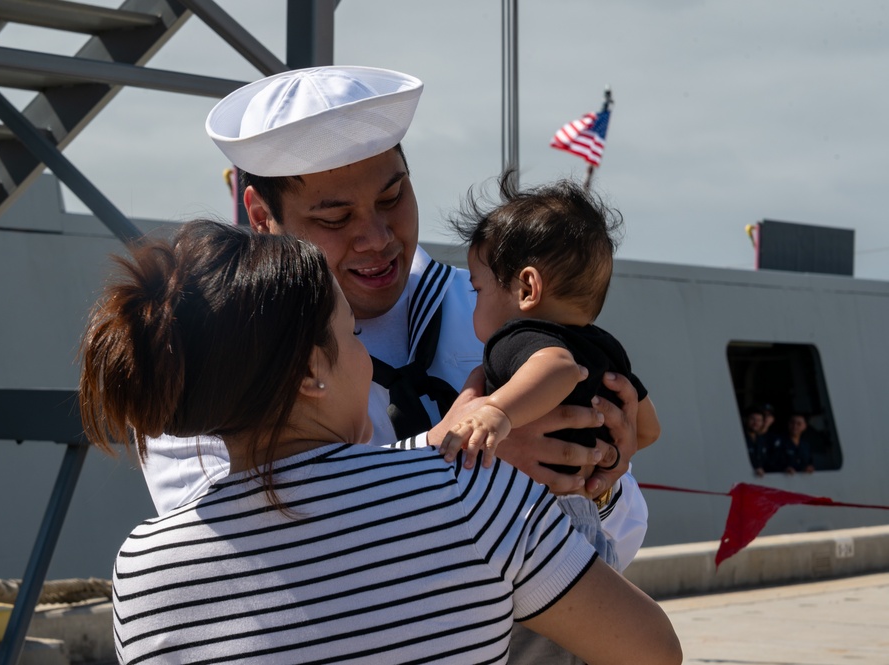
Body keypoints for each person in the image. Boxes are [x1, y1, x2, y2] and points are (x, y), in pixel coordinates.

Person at [144, 66, 654, 662]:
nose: (377, 237)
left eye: (393, 197)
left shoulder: (501, 307)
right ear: (260, 215)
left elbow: (625, 532)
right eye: (334, 219)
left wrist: (599, 479)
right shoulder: (216, 355)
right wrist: (458, 467)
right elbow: (239, 554)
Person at [79, 220, 682, 664]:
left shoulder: (141, 569)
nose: (368, 358)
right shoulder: (471, 492)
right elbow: (653, 650)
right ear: (313, 372)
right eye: (352, 333)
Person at [438, 174, 660, 476]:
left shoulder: (518, 337)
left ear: (527, 289)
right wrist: (614, 451)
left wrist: (496, 411)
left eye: (476, 289)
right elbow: (649, 431)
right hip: (583, 504)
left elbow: (560, 368)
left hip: (527, 505)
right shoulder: (607, 347)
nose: (473, 301)